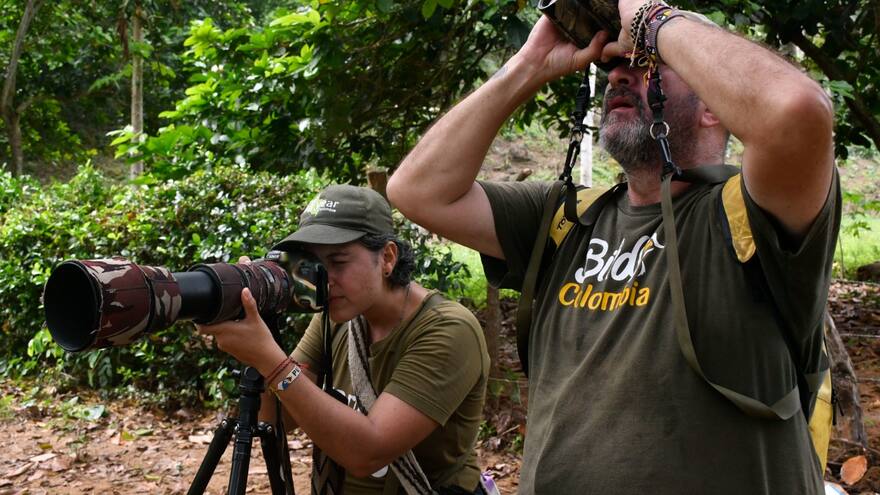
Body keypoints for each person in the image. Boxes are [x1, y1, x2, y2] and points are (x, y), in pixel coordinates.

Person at [386, 0, 839, 493]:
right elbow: (416, 190)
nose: (620, 75)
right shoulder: (566, 218)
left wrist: (650, 17)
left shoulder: (754, 213)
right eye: (614, 66)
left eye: (646, 63)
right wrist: (529, 65)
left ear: (715, 104)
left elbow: (797, 112)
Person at [196, 185, 490, 494]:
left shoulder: (448, 329)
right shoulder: (337, 317)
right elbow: (274, 417)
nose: (324, 280)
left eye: (338, 262)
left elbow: (367, 453)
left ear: (387, 257)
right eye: (314, 266)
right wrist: (253, 326)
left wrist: (272, 361)